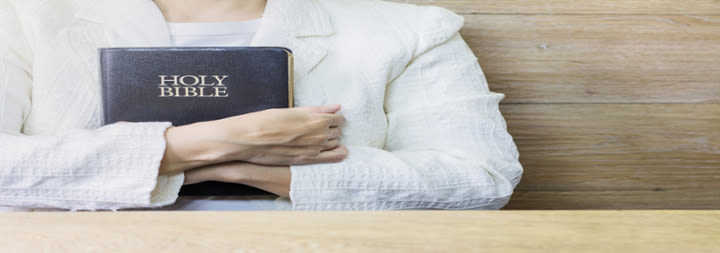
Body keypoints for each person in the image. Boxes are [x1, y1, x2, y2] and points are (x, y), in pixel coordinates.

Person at [0, 0, 523, 211]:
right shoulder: (23, 17)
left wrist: (237, 168)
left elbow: (481, 180)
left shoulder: (409, 29)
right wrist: (220, 140)